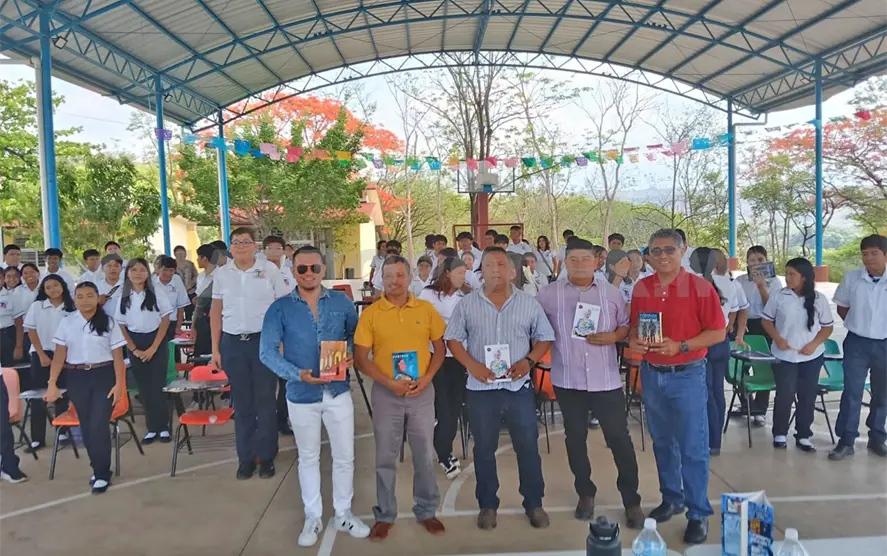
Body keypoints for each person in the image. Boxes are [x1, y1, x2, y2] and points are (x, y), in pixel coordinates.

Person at [259, 245, 370, 547]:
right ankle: (313, 516)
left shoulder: (341, 302)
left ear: (323, 270)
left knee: (345, 456)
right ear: (293, 272)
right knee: (308, 457)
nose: (308, 273)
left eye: (314, 268)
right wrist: (297, 374)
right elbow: (267, 352)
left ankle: (343, 513)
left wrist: (350, 353)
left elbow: (355, 335)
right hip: (300, 394)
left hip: (337, 391)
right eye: (302, 268)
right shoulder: (279, 308)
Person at [537, 238, 645, 529]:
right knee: (575, 439)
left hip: (605, 380)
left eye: (586, 258)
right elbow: (535, 326)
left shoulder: (611, 293)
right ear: (566, 262)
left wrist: (614, 336)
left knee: (619, 439)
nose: (580, 264)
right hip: (568, 379)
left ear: (597, 261)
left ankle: (631, 500)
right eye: (573, 259)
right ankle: (585, 493)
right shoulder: (548, 295)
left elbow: (625, 325)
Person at [445, 247, 555, 531]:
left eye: (501, 265)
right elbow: (453, 339)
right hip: (481, 389)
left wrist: (529, 361)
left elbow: (545, 337)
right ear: (481, 271)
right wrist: (472, 365)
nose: (496, 270)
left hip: (518, 388)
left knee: (528, 448)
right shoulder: (467, 304)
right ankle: (487, 506)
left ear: (513, 271)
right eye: (489, 265)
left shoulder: (528, 304)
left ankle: (534, 503)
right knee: (483, 449)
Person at [628, 229, 726, 545]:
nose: (662, 256)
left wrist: (681, 346)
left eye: (669, 249)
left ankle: (698, 513)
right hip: (652, 373)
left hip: (687, 375)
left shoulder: (700, 287)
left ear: (682, 251)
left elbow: (717, 332)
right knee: (662, 442)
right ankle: (672, 498)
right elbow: (634, 328)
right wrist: (635, 342)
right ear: (648, 255)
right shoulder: (642, 287)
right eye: (655, 251)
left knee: (693, 447)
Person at [354, 255, 447, 542]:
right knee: (385, 456)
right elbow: (361, 358)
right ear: (381, 278)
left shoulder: (426, 309)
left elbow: (440, 349)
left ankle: (427, 509)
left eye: (399, 275)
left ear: (409, 277)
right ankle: (385, 514)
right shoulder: (372, 314)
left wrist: (427, 379)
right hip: (387, 393)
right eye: (389, 276)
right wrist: (389, 383)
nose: (394, 281)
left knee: (424, 454)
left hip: (421, 392)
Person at [210, 228, 289, 480]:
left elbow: (283, 307)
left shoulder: (269, 270)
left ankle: (266, 457)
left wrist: (281, 342)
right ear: (230, 248)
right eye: (236, 242)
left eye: (246, 242)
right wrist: (214, 348)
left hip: (264, 342)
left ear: (255, 246)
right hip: (233, 343)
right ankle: (245, 459)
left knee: (265, 401)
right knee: (242, 404)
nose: (241, 246)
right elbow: (216, 311)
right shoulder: (221, 274)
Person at [45, 281, 127, 494]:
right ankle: (98, 466)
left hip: (104, 376)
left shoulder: (109, 322)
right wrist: (52, 382)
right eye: (80, 296)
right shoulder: (67, 322)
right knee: (87, 425)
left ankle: (102, 473)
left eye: (90, 295)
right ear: (74, 300)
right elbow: (59, 355)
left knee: (99, 424)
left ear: (98, 298)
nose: (85, 300)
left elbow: (118, 357)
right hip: (76, 377)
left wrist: (119, 384)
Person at [761, 258, 833, 452]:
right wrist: (777, 338)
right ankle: (780, 433)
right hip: (784, 356)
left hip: (811, 356)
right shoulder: (779, 296)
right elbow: (766, 320)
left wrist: (814, 344)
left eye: (792, 274)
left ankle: (803, 434)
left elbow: (827, 327)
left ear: (804, 277)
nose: (788, 277)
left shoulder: (819, 299)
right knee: (784, 395)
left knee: (807, 396)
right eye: (786, 273)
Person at [830, 234, 887, 460]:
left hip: (885, 344)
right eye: (865, 254)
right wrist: (857, 324)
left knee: (882, 393)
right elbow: (842, 307)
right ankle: (846, 441)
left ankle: (877, 437)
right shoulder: (852, 278)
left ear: (885, 255)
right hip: (857, 343)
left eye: (874, 253)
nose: (869, 258)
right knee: (852, 392)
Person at [689, 247, 747, 456]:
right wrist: (729, 328)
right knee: (716, 391)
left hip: (701, 342)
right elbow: (736, 310)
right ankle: (715, 441)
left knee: (703, 393)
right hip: (721, 342)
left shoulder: (691, 283)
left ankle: (703, 438)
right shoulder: (730, 283)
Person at [418, 256, 469, 480]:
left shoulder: (464, 297)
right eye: (459, 273)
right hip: (433, 356)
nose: (463, 277)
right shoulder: (427, 295)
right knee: (443, 408)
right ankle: (444, 454)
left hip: (457, 357)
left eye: (465, 274)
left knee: (454, 408)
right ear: (447, 272)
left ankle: (443, 448)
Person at [115, 258, 174, 445]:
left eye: (142, 270)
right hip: (135, 343)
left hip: (156, 341)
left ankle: (163, 427)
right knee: (144, 388)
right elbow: (121, 324)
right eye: (134, 270)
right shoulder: (123, 295)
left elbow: (165, 319)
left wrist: (154, 347)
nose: (138, 274)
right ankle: (152, 428)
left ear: (148, 273)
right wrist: (133, 349)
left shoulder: (156, 292)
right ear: (127, 273)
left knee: (158, 385)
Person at [23, 274, 76, 452]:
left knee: (62, 393)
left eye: (56, 285)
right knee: (39, 396)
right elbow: (31, 331)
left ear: (63, 286)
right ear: (44, 290)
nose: (53, 289)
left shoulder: (71, 307)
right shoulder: (37, 306)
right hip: (41, 353)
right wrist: (41, 354)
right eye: (48, 287)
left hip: (64, 354)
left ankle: (62, 431)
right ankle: (37, 438)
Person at [735, 245, 783, 425]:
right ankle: (747, 404)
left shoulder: (774, 282)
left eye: (760, 260)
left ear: (766, 260)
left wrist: (761, 286)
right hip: (744, 324)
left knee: (764, 366)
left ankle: (760, 409)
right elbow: (736, 305)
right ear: (747, 262)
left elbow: (772, 307)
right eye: (752, 260)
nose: (756, 263)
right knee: (740, 366)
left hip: (765, 324)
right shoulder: (740, 281)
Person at [153, 257, 190, 338]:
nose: (168, 273)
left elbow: (181, 308)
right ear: (159, 269)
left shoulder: (177, 280)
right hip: (154, 323)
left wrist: (178, 327)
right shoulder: (152, 281)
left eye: (171, 270)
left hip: (171, 323)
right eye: (165, 270)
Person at [0, 267, 25, 366]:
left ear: (3, 279)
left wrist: (19, 346)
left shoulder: (12, 296)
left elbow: (19, 322)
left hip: (6, 334)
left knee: (7, 368)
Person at [173, 246, 199, 322]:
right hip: (176, 292)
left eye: (182, 252)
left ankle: (189, 322)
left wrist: (190, 285)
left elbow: (196, 276)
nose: (180, 254)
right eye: (178, 252)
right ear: (175, 254)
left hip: (190, 290)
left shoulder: (190, 264)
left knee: (189, 310)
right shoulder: (172, 264)